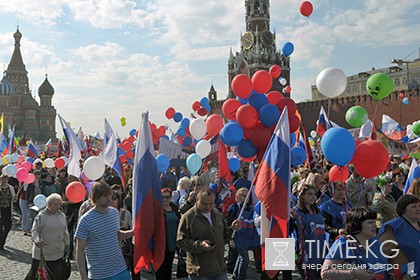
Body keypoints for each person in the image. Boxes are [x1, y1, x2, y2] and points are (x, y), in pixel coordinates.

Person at [177, 187, 241, 280]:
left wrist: (232, 229)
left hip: (219, 268)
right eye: (204, 204)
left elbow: (223, 235)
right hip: (200, 271)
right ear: (197, 199)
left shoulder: (217, 214)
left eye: (211, 204)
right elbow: (181, 241)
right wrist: (200, 245)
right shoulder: (188, 217)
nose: (208, 207)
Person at [75, 181, 133, 280]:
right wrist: (83, 276)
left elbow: (117, 234)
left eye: (110, 195)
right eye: (105, 196)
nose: (109, 198)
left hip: (120, 269)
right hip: (99, 274)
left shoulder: (114, 213)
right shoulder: (85, 220)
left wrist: (135, 231)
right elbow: (79, 251)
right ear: (96, 198)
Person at [321, 208, 392, 279]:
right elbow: (325, 273)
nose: (375, 225)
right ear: (357, 224)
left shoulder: (376, 243)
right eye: (370, 222)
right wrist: (353, 273)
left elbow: (385, 269)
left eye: (374, 222)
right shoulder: (345, 243)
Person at [25, 193, 69, 280]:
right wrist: (37, 241)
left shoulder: (62, 215)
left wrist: (67, 245)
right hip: (43, 253)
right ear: (48, 204)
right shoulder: (41, 216)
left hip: (58, 252)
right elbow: (34, 231)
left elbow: (65, 232)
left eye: (59, 204)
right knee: (36, 276)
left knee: (57, 276)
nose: (58, 206)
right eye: (55, 204)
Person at [378, 194, 420, 278]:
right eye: (413, 206)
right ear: (403, 208)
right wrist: (405, 271)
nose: (418, 209)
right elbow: (389, 253)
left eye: (419, 206)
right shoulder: (391, 227)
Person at [290, 184, 326, 280]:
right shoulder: (295, 212)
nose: (313, 197)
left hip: (320, 251)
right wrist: (292, 220)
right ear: (302, 195)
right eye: (310, 194)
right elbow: (288, 231)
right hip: (305, 254)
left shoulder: (318, 210)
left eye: (314, 194)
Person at [228, 188, 260, 280]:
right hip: (238, 237)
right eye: (243, 195)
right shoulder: (234, 208)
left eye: (247, 195)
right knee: (245, 259)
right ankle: (240, 277)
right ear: (238, 197)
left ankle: (235, 274)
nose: (245, 198)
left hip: (247, 238)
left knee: (241, 257)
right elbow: (228, 223)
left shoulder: (252, 209)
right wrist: (231, 239)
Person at [156, 188, 180, 280]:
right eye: (162, 197)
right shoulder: (157, 209)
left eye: (167, 197)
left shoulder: (174, 207)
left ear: (171, 197)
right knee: (161, 270)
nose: (165, 199)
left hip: (172, 242)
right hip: (161, 244)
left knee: (169, 267)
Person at [0, 173, 16, 250]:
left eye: (6, 179)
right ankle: (1, 244)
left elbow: (14, 199)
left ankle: (2, 240)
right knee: (0, 227)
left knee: (8, 226)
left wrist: (16, 197)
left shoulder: (11, 188)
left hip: (8, 210)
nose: (4, 181)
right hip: (1, 210)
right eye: (3, 179)